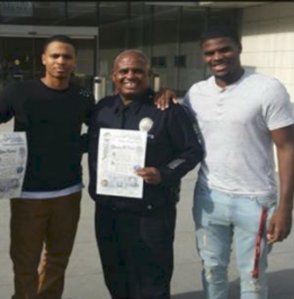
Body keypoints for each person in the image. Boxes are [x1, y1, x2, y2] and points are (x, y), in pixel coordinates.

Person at [156, 26, 294, 299]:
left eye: (224, 49)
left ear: (238, 48)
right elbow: (174, 123)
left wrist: (285, 208)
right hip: (209, 198)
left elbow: (287, 147)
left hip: (255, 201)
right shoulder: (197, 93)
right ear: (203, 56)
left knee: (252, 276)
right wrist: (167, 93)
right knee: (212, 269)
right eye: (210, 53)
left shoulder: (267, 89)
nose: (217, 57)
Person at [88, 49, 203, 299]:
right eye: (124, 71)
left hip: (151, 212)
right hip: (109, 210)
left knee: (152, 279)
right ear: (113, 75)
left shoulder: (167, 109)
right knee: (115, 274)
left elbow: (192, 151)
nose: (131, 76)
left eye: (138, 71)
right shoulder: (102, 108)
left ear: (149, 75)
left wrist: (164, 173)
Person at [0, 35, 95, 299]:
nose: (61, 61)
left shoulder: (83, 95)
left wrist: (76, 145)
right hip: (28, 194)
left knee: (57, 259)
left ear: (74, 61)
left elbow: (101, 128)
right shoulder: (19, 91)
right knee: (25, 262)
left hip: (68, 191)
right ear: (44, 59)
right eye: (55, 56)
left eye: (67, 56)